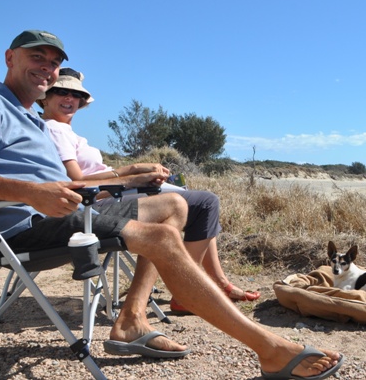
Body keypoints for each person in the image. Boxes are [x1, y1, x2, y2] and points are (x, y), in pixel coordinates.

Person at [0, 30, 343, 379]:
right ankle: (270, 349)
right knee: (160, 237)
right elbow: (36, 189)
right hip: (20, 230)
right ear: (10, 58)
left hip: (66, 213)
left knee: (174, 205)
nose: (47, 68)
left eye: (53, 63)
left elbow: (65, 184)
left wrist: (126, 180)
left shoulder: (34, 120)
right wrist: (29, 193)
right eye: (37, 57)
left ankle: (132, 319)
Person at [38, 67, 259, 312]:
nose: (69, 98)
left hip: (106, 196)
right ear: (44, 97)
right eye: (61, 91)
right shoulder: (54, 129)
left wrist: (135, 174)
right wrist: (132, 173)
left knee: (201, 203)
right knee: (205, 203)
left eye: (75, 94)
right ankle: (189, 290)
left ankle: (215, 281)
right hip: (95, 204)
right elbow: (77, 180)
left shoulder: (64, 130)